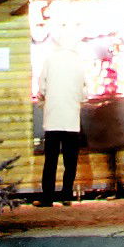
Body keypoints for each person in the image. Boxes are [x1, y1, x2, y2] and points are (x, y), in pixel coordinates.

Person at [35, 28, 89, 205]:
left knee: (50, 160)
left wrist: (45, 100)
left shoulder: (50, 60)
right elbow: (84, 92)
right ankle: (67, 195)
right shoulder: (79, 61)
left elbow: (42, 88)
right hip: (71, 118)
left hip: (52, 118)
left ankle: (47, 198)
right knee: (70, 160)